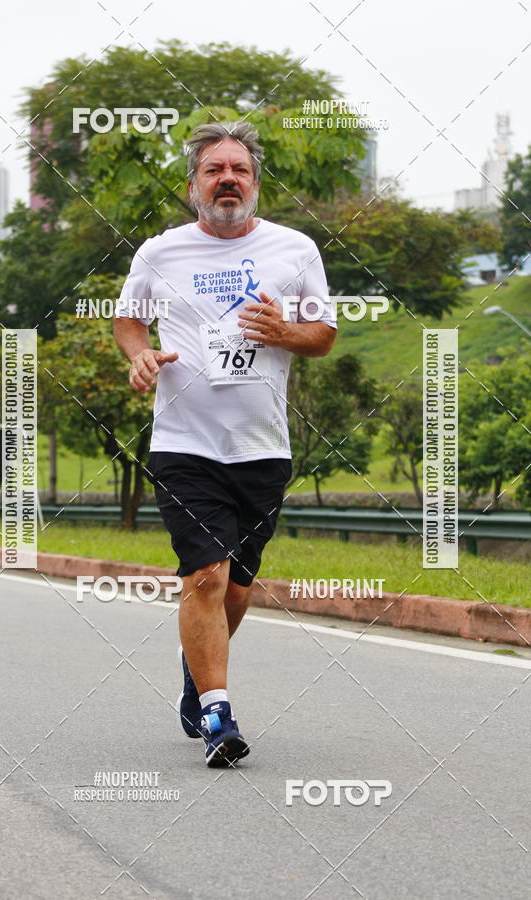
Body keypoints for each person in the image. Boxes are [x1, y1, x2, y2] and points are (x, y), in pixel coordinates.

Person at [114, 121, 336, 767]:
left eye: (239, 168)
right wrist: (139, 354)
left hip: (263, 448)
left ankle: (196, 669)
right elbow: (129, 318)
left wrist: (286, 333)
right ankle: (217, 713)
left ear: (256, 184)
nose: (228, 179)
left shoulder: (294, 249)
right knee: (204, 575)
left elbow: (322, 333)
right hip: (184, 444)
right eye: (215, 169)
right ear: (193, 186)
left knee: (236, 588)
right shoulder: (161, 252)